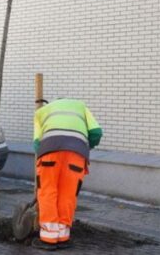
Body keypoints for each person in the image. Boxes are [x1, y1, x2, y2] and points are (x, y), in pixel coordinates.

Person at [32, 98, 102, 251]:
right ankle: (63, 236)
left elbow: (37, 143)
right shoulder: (81, 107)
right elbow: (96, 132)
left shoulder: (41, 112)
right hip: (76, 155)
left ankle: (48, 238)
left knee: (48, 192)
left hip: (49, 154)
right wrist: (84, 146)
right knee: (68, 194)